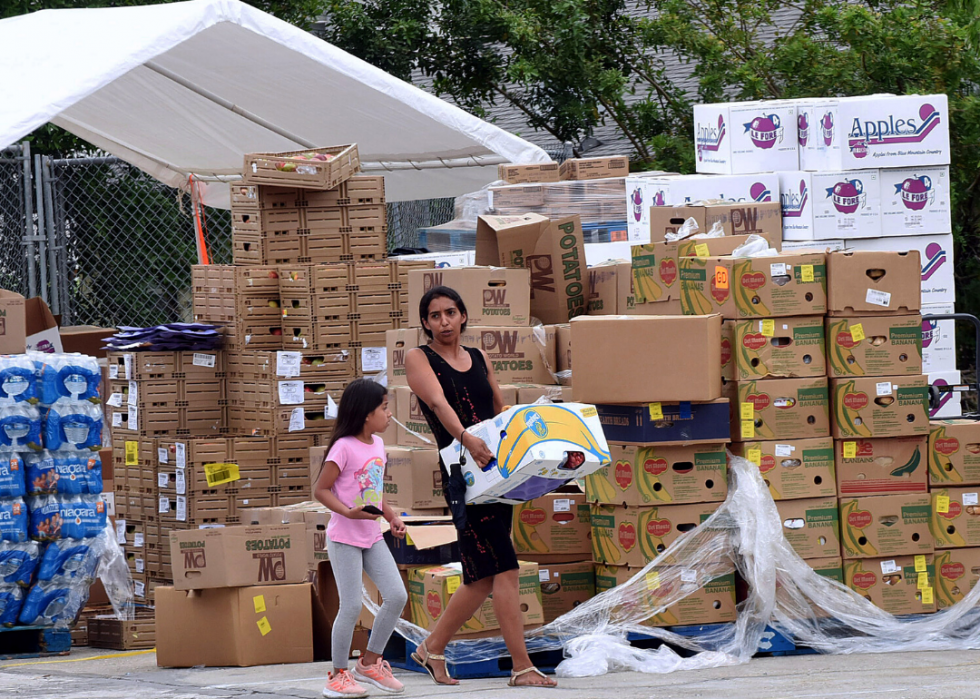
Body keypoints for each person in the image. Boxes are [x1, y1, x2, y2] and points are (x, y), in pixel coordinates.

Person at [404, 285, 558, 689]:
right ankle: (521, 667)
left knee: (482, 575)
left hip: (495, 469)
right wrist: (467, 440)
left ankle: (431, 649)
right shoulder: (419, 358)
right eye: (435, 315)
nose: (444, 321)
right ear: (425, 323)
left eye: (450, 313)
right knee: (504, 567)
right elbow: (438, 404)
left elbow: (498, 408)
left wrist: (529, 443)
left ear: (463, 316)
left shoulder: (478, 357)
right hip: (464, 474)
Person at [314, 379, 409, 698]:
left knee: (396, 596)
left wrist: (392, 516)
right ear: (367, 414)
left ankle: (369, 663)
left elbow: (374, 491)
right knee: (352, 605)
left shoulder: (378, 446)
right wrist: (347, 511)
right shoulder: (342, 447)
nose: (389, 413)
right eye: (384, 407)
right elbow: (321, 489)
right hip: (345, 538)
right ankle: (338, 674)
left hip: (372, 536)